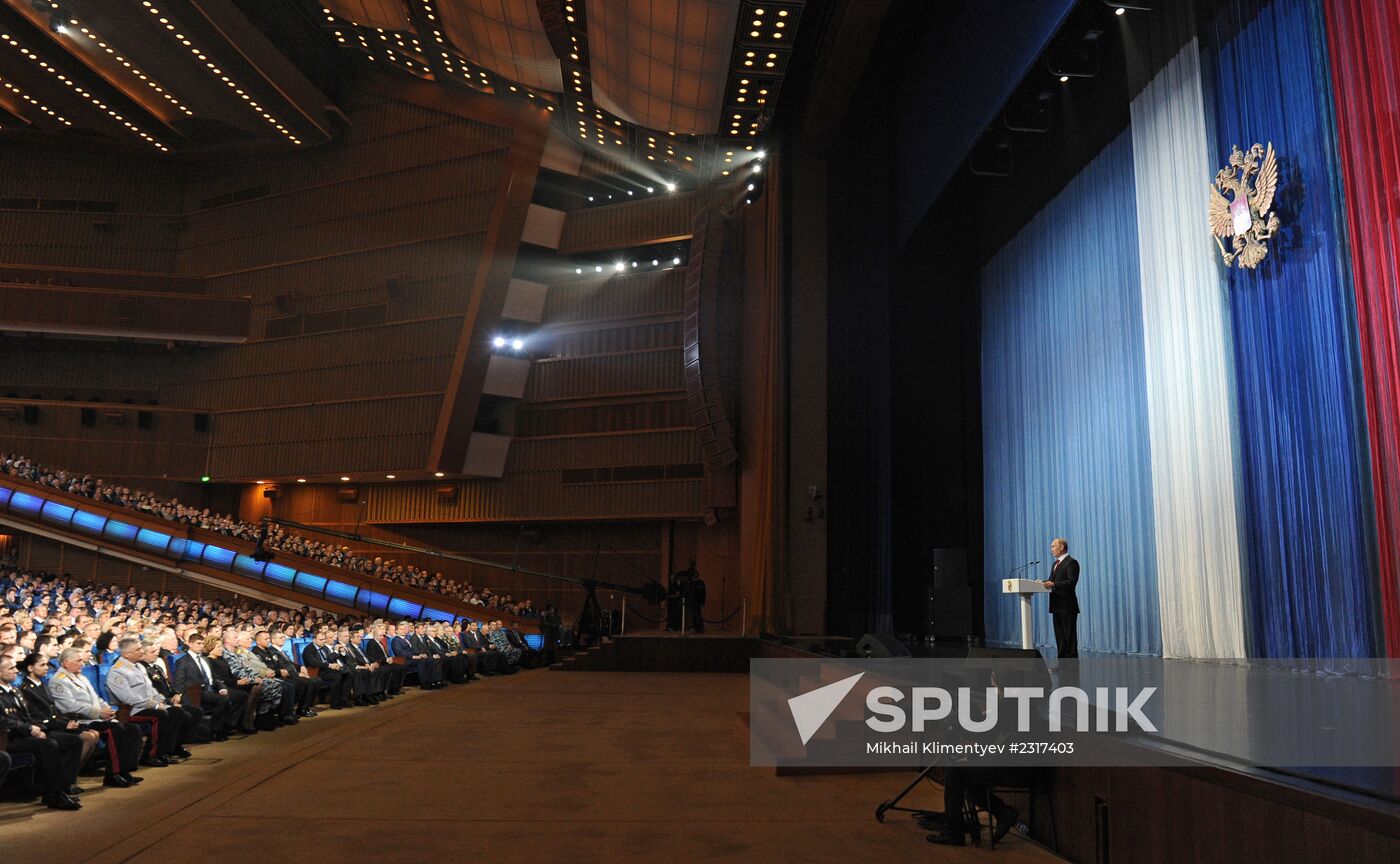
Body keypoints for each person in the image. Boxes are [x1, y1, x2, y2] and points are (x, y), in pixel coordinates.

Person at [0, 653, 83, 809]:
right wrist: (30, 728)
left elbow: (28, 715)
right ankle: (53, 794)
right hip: (8, 739)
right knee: (48, 745)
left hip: (23, 736)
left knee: (66, 741)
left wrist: (38, 729)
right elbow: (4, 720)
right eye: (11, 668)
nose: (16, 671)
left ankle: (59, 790)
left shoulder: (15, 691)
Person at [1042, 537, 1080, 660]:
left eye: (1053, 546)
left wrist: (1054, 584)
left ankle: (1071, 662)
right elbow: (1052, 581)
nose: (1051, 549)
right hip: (1056, 605)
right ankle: (1062, 662)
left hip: (1067, 605)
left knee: (1069, 635)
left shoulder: (1071, 562)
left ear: (1061, 547)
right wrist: (1041, 583)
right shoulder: (1055, 564)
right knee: (1060, 636)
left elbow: (1071, 582)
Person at [682, 561, 705, 634]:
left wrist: (702, 601)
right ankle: (694, 627)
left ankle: (699, 627)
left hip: (697, 601)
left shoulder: (700, 583)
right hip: (691, 600)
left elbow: (703, 592)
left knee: (697, 614)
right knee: (692, 615)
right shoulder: (691, 583)